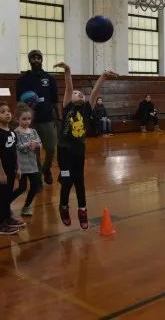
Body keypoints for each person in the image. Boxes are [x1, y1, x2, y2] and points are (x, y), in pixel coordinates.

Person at [55, 62, 118, 230]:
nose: (79, 94)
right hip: (64, 150)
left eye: (81, 93)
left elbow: (95, 91)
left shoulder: (87, 109)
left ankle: (82, 211)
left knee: (80, 182)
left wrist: (103, 76)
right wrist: (68, 71)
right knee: (67, 181)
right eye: (76, 93)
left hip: (78, 150)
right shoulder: (67, 107)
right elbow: (69, 87)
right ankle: (63, 207)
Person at [16, 50, 60, 186]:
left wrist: (59, 117)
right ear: (29, 60)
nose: (36, 60)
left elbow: (55, 100)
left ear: (42, 60)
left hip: (47, 119)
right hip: (30, 122)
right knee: (34, 150)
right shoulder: (22, 80)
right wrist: (20, 117)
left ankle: (46, 169)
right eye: (33, 58)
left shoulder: (50, 79)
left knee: (51, 149)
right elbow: (19, 102)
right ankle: (38, 175)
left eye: (38, 57)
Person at [0, 101, 24, 235]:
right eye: (3, 112)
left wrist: (18, 168)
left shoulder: (12, 132)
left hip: (11, 170)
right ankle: (0, 224)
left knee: (7, 196)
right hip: (1, 171)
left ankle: (7, 218)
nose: (7, 113)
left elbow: (15, 151)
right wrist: (1, 173)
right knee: (0, 197)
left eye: (8, 111)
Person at [13, 104, 43, 217]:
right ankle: (6, 202)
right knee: (22, 188)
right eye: (24, 119)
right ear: (17, 119)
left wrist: (37, 145)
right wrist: (29, 144)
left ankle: (26, 206)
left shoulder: (33, 131)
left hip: (33, 165)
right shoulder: (16, 132)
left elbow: (40, 144)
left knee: (35, 187)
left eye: (29, 119)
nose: (27, 121)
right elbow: (18, 147)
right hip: (22, 166)